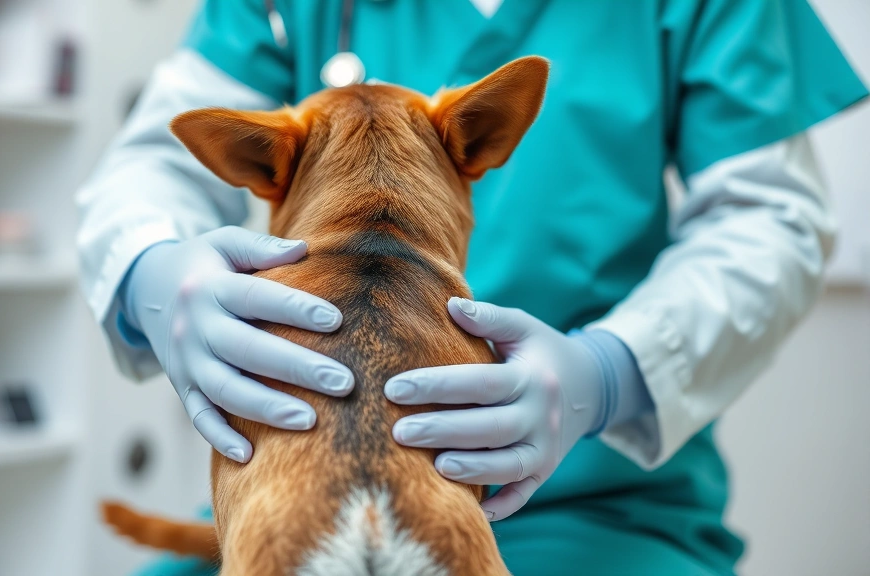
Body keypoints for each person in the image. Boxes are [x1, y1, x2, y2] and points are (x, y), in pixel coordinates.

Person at [77, 1, 867, 574]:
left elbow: (770, 220)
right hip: (303, 478)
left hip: (603, 500)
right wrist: (152, 269)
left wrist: (608, 373)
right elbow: (157, 161)